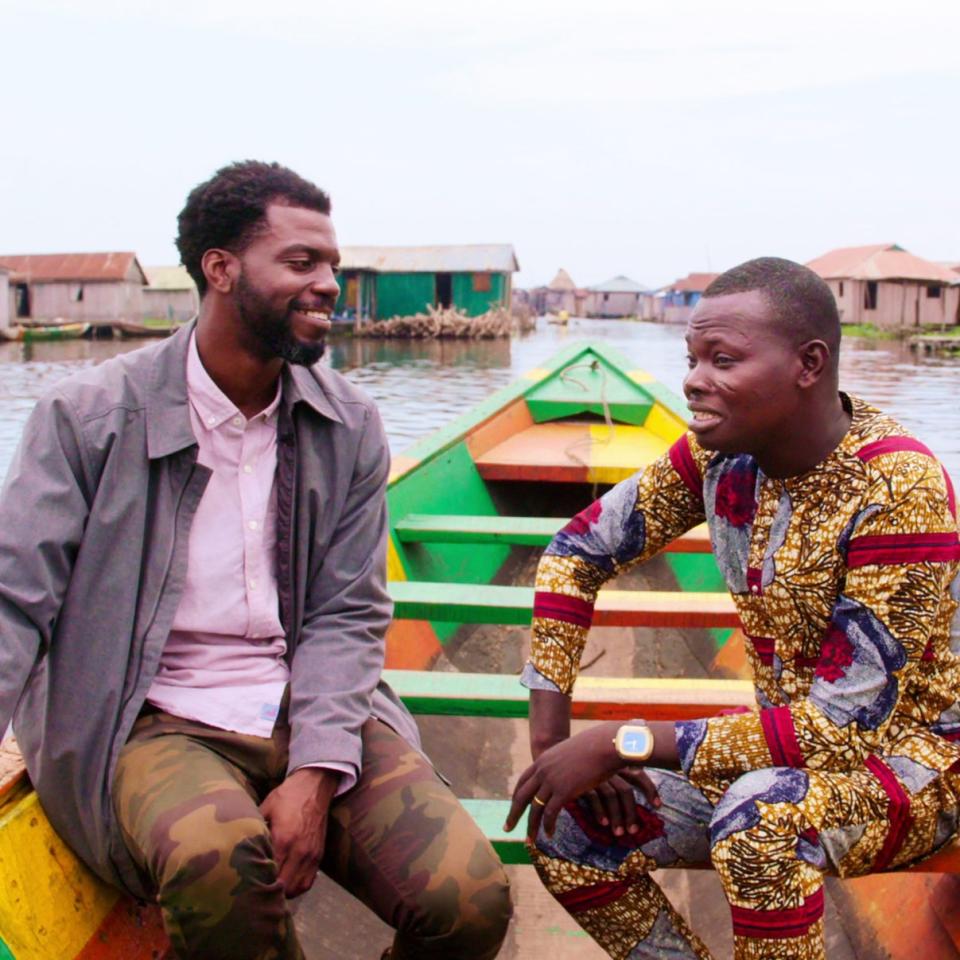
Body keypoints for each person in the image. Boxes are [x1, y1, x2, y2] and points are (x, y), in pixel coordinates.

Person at [0, 161, 511, 960]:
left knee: (468, 900)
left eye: (332, 264)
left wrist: (315, 770)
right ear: (221, 268)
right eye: (302, 262)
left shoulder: (347, 425)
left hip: (305, 702)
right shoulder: (91, 416)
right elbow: (14, 598)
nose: (329, 284)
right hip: (148, 717)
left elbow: (349, 612)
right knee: (220, 864)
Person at [505, 257, 960, 960]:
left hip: (916, 770)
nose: (692, 379)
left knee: (761, 822)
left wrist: (621, 740)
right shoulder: (721, 458)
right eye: (691, 358)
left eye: (722, 359)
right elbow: (577, 549)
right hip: (774, 755)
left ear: (808, 364)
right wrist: (552, 740)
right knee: (566, 829)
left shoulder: (899, 489)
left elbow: (843, 732)